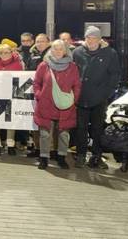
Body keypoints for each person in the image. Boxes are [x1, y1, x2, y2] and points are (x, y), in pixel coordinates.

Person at [72, 26, 120, 169]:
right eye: (88, 37)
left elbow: (115, 75)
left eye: (94, 38)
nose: (91, 40)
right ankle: (81, 155)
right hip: (80, 97)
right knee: (80, 128)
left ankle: (96, 156)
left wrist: (107, 93)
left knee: (98, 129)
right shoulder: (77, 52)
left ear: (100, 39)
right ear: (85, 38)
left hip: (99, 99)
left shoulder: (110, 53)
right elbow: (72, 72)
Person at [32, 40, 81, 170]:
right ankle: (44, 158)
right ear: (51, 50)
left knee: (64, 134)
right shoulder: (44, 65)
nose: (57, 51)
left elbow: (77, 85)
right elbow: (36, 83)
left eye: (60, 49)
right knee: (45, 133)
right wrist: (39, 95)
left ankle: (61, 158)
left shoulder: (72, 67)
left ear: (65, 51)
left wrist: (73, 99)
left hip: (65, 105)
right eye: (54, 49)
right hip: (46, 104)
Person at [0, 44, 24, 156]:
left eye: (6, 52)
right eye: (1, 52)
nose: (4, 55)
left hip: (11, 95)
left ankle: (10, 144)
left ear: (11, 52)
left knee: (10, 121)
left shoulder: (17, 64)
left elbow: (22, 79)